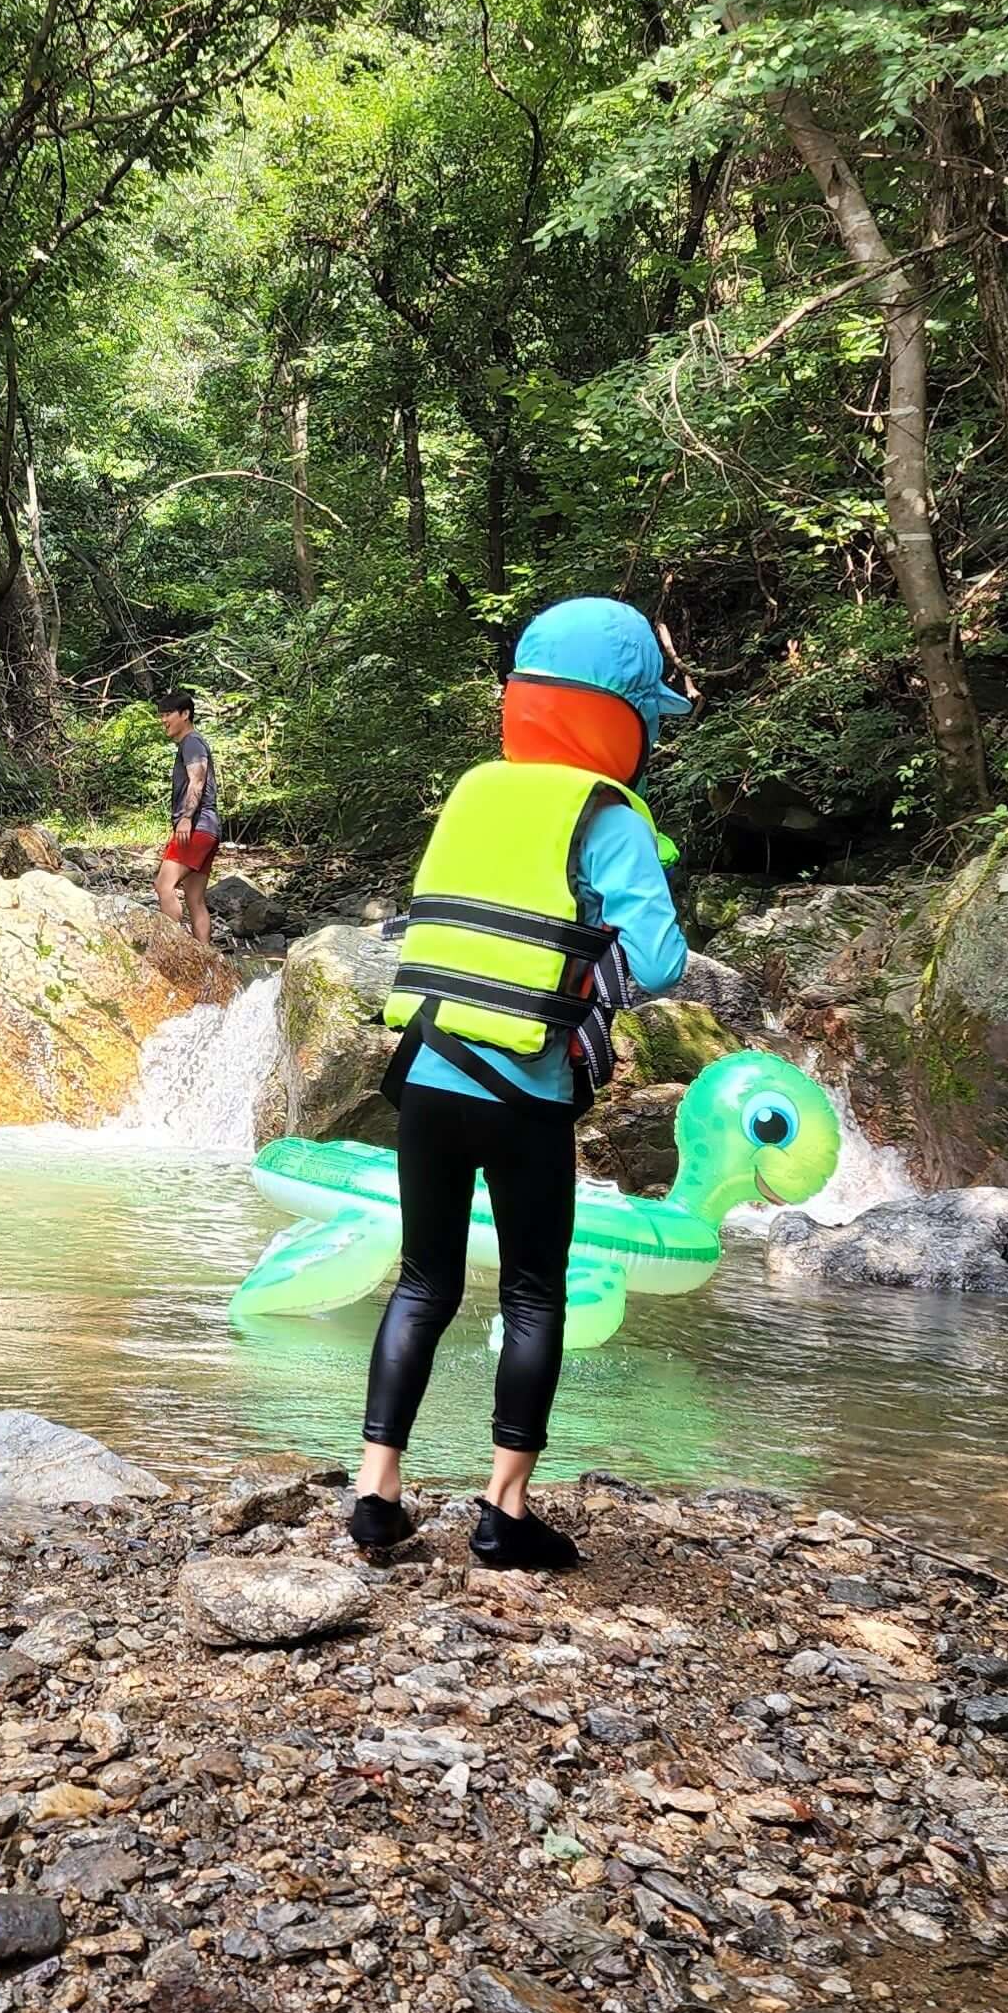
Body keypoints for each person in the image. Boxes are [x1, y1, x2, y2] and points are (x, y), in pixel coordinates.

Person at [344, 598, 692, 1579]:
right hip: (526, 1091)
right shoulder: (607, 814)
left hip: (426, 1071)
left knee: (423, 1282)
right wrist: (609, 933)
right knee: (535, 1296)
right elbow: (659, 963)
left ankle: (375, 1493)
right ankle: (504, 1513)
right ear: (623, 717)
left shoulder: (472, 790)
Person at [155, 689, 221, 944]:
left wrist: (185, 818)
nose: (164, 720)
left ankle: (175, 948)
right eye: (161, 715)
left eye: (168, 714)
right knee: (194, 898)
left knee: (163, 886)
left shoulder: (192, 742)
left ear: (185, 714)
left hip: (197, 826)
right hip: (209, 828)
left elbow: (198, 780)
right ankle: (204, 957)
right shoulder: (192, 743)